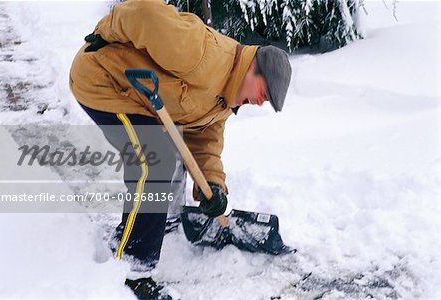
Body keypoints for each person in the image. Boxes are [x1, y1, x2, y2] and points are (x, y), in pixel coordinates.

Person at [69, 0, 291, 299]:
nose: (261, 103)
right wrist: (103, 34)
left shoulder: (225, 100)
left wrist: (213, 186)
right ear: (253, 68)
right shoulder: (200, 53)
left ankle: (165, 217)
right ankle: (133, 266)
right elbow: (143, 12)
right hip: (104, 81)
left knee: (171, 152)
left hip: (142, 99)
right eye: (264, 94)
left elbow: (205, 145)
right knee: (154, 160)